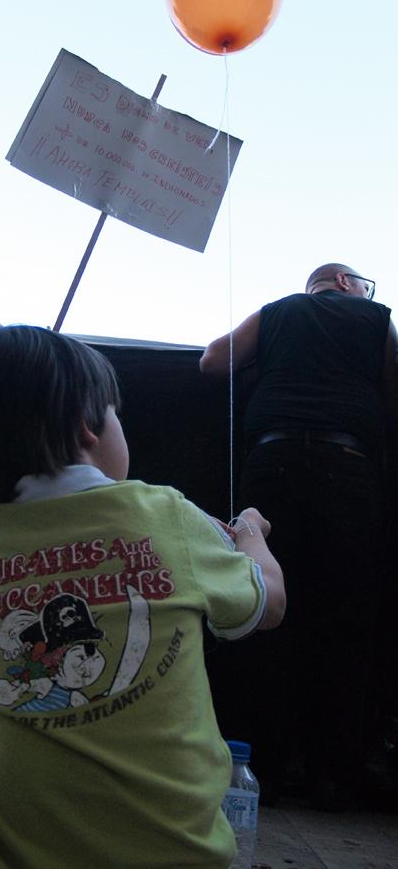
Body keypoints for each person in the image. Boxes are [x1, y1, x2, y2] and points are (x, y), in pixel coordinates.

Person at [0, 325, 285, 869]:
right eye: (116, 413)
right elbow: (269, 603)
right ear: (88, 426)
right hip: (169, 846)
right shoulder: (163, 512)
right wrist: (248, 531)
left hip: (0, 846)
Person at [200, 263, 398, 809]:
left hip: (273, 460)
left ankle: (262, 762)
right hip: (348, 464)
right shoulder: (375, 317)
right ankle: (334, 773)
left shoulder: (276, 312)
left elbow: (212, 361)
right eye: (363, 282)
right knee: (345, 618)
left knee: (264, 609)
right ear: (342, 283)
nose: (365, 292)